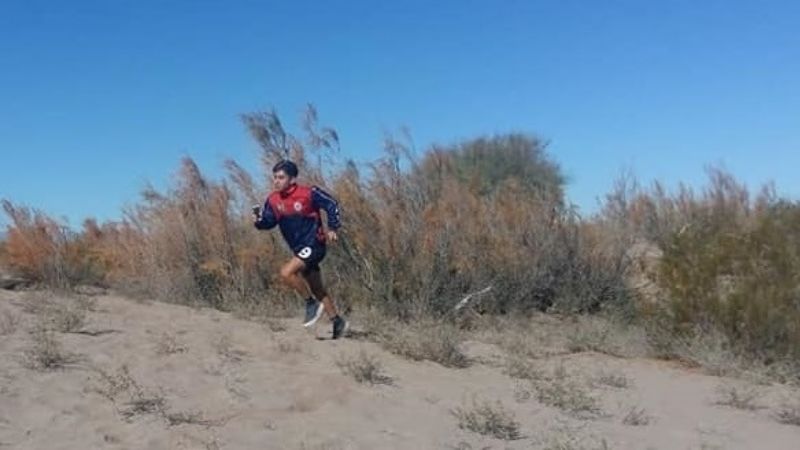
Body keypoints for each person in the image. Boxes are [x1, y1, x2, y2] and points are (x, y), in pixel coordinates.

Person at [253, 160, 348, 339]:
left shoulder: (309, 193)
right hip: (299, 250)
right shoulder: (273, 200)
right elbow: (268, 222)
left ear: (292, 178)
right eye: (275, 177)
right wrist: (258, 221)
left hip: (315, 245)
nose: (276, 181)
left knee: (286, 273)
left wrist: (333, 227)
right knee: (317, 288)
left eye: (281, 177)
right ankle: (337, 321)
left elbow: (331, 204)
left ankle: (310, 304)